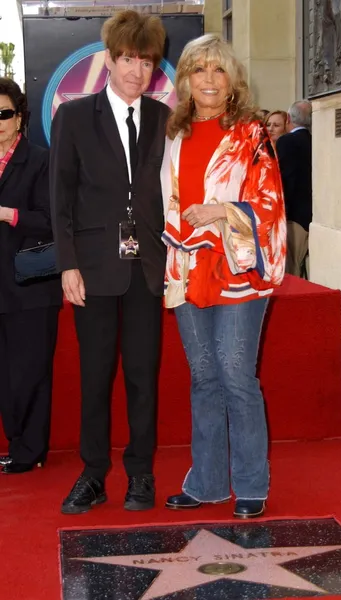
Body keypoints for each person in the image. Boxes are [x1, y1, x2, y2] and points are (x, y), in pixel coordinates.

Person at [50, 10, 170, 514]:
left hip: (147, 268)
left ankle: (140, 474)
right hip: (93, 269)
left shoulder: (167, 121)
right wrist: (67, 264)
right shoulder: (74, 117)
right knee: (96, 376)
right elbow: (61, 197)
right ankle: (94, 473)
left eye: (145, 61)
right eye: (126, 59)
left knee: (144, 376)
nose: (136, 71)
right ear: (109, 60)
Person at [162, 34, 286, 519]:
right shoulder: (175, 133)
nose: (209, 80)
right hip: (188, 268)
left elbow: (271, 204)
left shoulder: (251, 133)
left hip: (239, 269)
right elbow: (167, 201)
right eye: (199, 70)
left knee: (237, 377)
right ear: (186, 79)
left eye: (218, 70)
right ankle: (209, 481)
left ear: (232, 79)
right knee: (204, 377)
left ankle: (252, 483)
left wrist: (220, 211)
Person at [0, 77, 62, 474]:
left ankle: (30, 449)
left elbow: (55, 220)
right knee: (6, 374)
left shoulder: (41, 160)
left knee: (30, 372)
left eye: (4, 113)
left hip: (29, 286)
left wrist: (8, 214)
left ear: (20, 118)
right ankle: (20, 447)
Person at [276, 100, 312, 277]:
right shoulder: (316, 140)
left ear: (288, 118)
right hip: (312, 215)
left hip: (293, 217)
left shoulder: (287, 142)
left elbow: (284, 179)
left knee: (292, 270)